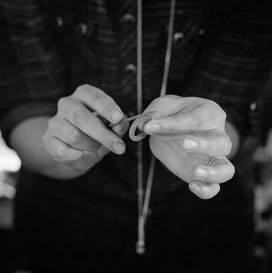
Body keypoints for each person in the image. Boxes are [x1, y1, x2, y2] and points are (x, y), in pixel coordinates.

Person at [0, 0, 272, 272]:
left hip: (209, 228)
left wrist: (207, 144)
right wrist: (62, 152)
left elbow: (235, 107)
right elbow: (24, 100)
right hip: (61, 224)